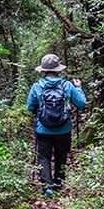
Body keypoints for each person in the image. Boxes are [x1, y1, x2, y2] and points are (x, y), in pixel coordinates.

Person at [26, 54, 86, 195]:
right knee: (61, 155)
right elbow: (81, 103)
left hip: (43, 129)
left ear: (43, 70)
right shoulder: (67, 85)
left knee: (43, 157)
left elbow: (30, 106)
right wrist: (78, 88)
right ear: (58, 69)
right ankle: (58, 183)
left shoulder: (37, 86)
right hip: (63, 128)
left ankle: (47, 187)